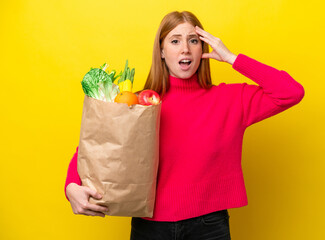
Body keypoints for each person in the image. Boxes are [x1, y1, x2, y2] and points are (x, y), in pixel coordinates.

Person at [65, 10, 305, 240]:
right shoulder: (139, 104)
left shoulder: (231, 100)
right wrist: (71, 186)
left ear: (203, 49)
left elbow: (291, 92)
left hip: (209, 226)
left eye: (193, 40)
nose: (186, 49)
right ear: (161, 51)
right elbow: (96, 147)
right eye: (175, 41)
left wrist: (233, 59)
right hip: (150, 227)